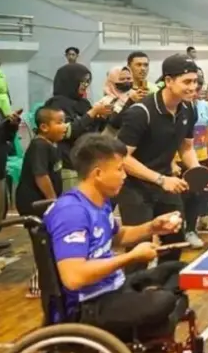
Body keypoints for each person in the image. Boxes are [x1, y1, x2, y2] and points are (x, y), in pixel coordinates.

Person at [43, 133, 189, 338]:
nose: (124, 176)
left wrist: (152, 228)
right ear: (98, 173)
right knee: (165, 301)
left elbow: (117, 236)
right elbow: (74, 277)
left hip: (114, 286)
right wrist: (131, 257)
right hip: (89, 304)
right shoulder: (72, 212)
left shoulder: (100, 202)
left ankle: (157, 322)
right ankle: (156, 326)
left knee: (182, 271)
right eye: (119, 169)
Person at [116, 54, 200, 267]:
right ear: (168, 81)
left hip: (166, 184)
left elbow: (186, 147)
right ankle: (135, 287)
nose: (193, 87)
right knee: (139, 251)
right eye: (187, 82)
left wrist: (198, 171)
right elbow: (122, 157)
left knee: (175, 242)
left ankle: (166, 285)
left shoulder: (189, 109)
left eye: (195, 81)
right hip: (135, 187)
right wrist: (161, 180)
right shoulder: (140, 112)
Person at [16, 106, 68, 297]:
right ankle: (38, 285)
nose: (65, 126)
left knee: (52, 241)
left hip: (44, 203)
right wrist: (53, 201)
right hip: (34, 204)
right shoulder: (39, 146)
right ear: (44, 127)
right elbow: (41, 175)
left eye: (65, 121)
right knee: (44, 243)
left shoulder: (52, 145)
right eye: (60, 122)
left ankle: (50, 280)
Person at [45, 64, 113, 190]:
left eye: (87, 82)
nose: (85, 85)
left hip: (87, 162)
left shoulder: (84, 103)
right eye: (82, 81)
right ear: (70, 81)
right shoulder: (55, 104)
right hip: (68, 165)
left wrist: (102, 117)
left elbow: (93, 132)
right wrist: (93, 113)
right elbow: (68, 132)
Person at [179, 71, 208, 249]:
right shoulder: (178, 107)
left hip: (201, 157)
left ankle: (191, 230)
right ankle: (178, 232)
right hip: (180, 160)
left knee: (197, 196)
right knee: (182, 198)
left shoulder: (203, 106)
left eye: (198, 88)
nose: (194, 92)